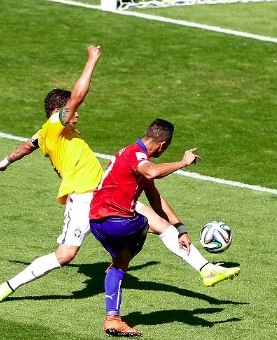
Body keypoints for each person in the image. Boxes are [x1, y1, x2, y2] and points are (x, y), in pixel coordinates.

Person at [0, 46, 228, 307]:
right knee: (64, 255)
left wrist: (4, 162)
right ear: (59, 111)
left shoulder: (45, 134)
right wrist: (92, 60)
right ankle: (9, 286)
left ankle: (205, 269)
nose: (78, 114)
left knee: (161, 226)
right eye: (72, 111)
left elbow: (25, 146)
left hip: (106, 195)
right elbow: (78, 96)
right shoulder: (55, 126)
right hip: (83, 198)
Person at [89, 119, 241, 337]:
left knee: (120, 263)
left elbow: (155, 198)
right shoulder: (136, 156)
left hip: (98, 222)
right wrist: (182, 162)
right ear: (162, 145)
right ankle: (206, 269)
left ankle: (112, 319)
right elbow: (151, 172)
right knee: (159, 227)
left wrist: (181, 227)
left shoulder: (130, 155)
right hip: (116, 221)